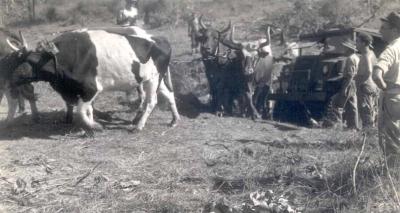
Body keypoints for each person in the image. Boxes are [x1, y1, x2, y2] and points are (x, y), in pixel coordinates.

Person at [372, 11, 400, 168]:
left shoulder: (391, 49)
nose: (380, 31)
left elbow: (376, 75)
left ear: (395, 30)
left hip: (392, 98)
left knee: (390, 140)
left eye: (384, 27)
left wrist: (385, 89)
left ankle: (393, 175)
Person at [323, 39, 360, 129]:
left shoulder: (350, 58)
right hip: (353, 83)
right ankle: (354, 126)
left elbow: (350, 75)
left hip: (348, 82)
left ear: (350, 49)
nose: (345, 50)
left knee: (337, 104)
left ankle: (338, 125)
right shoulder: (356, 57)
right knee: (352, 105)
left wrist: (344, 88)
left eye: (346, 48)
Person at [355, 32, 378, 128]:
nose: (356, 44)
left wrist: (360, 82)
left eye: (357, 41)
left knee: (366, 111)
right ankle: (370, 134)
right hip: (373, 86)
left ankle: (368, 134)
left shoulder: (366, 55)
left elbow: (368, 71)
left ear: (364, 43)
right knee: (372, 111)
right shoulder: (372, 53)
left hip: (366, 87)